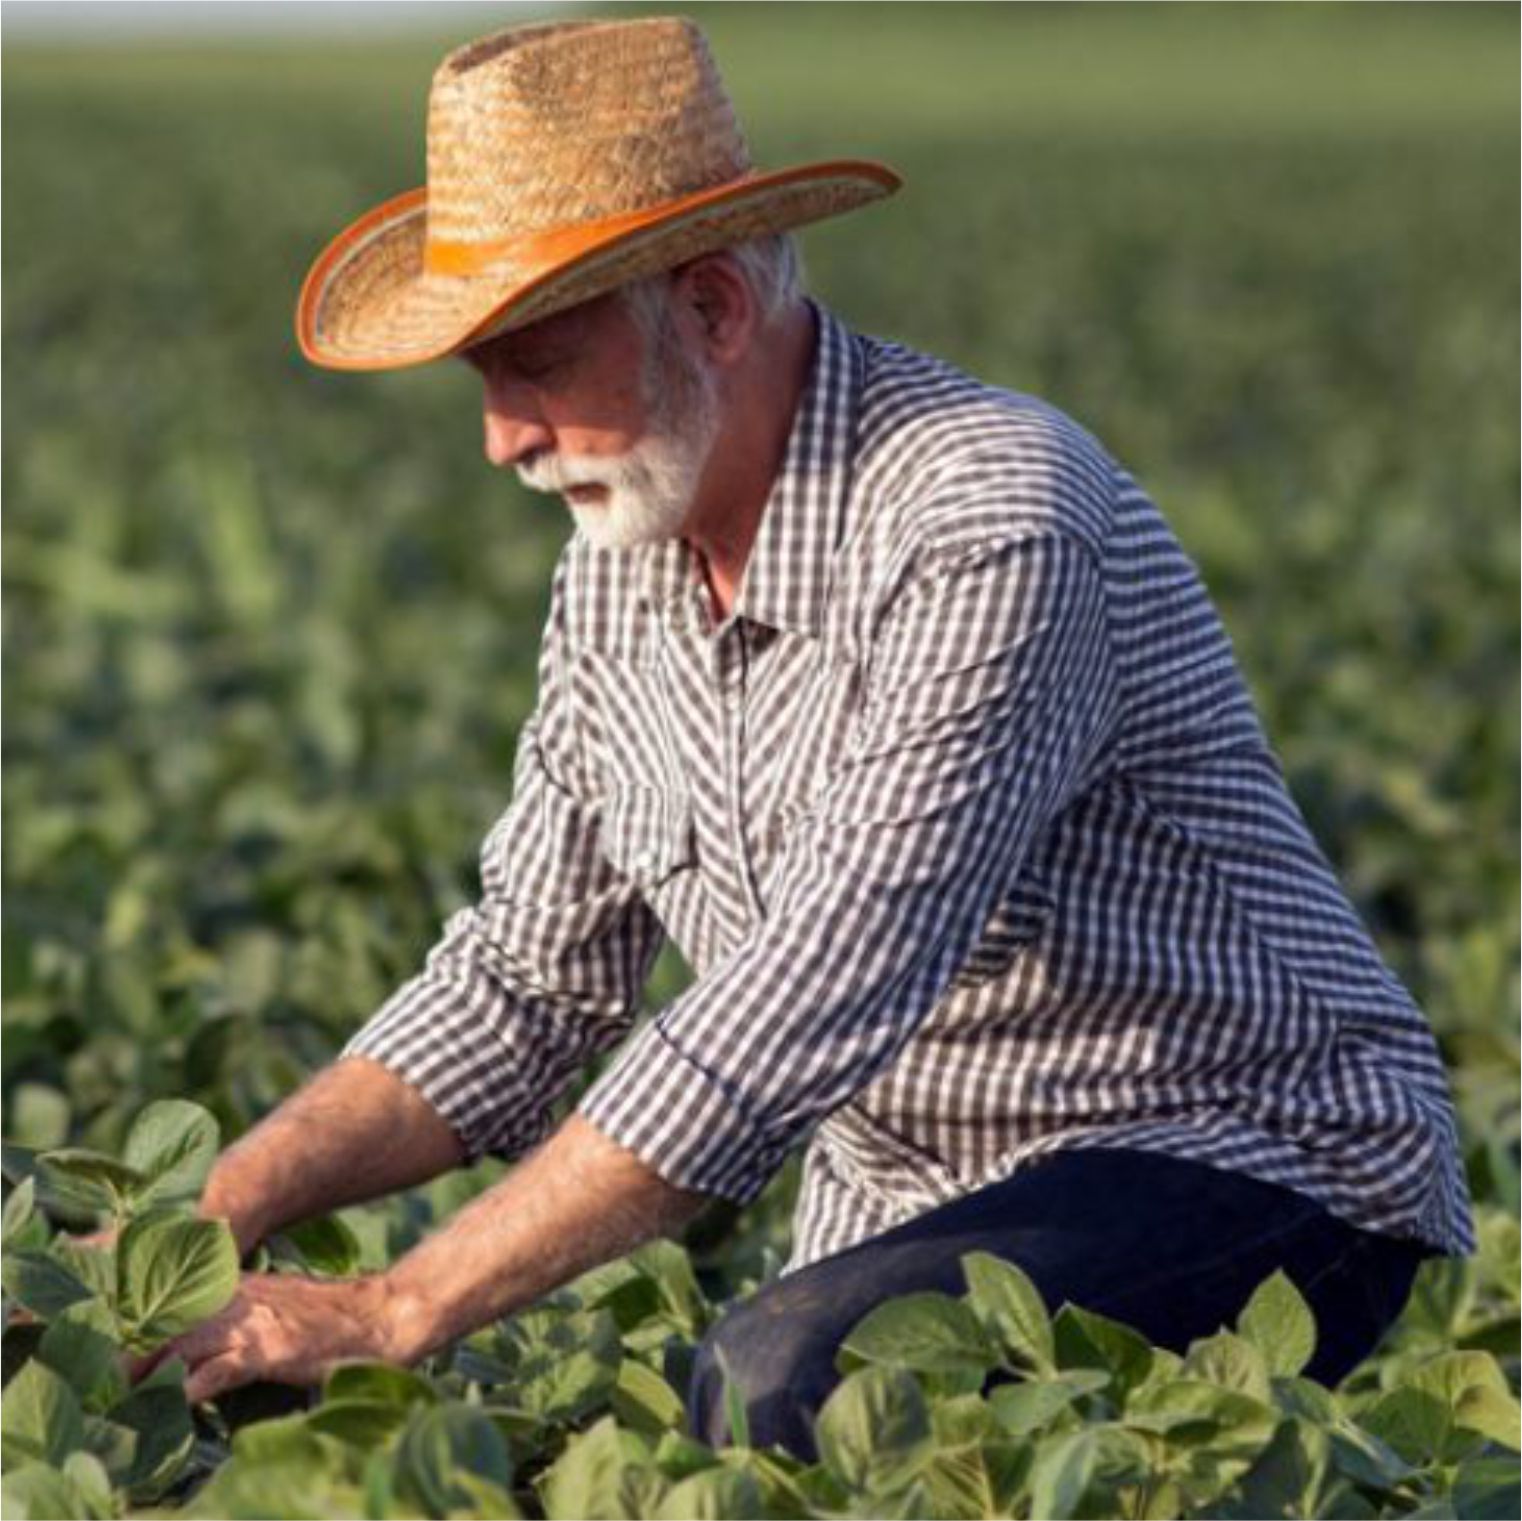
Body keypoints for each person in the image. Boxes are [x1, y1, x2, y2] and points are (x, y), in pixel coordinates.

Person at [161, 16, 1473, 1455]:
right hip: (921, 1200)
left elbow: (823, 980)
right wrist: (210, 1215)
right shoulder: (618, 570)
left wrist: (398, 1305)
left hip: (1247, 1151)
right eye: (482, 378)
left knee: (788, 1384)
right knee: (716, 1395)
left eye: (535, 362)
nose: (502, 437)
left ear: (714, 307)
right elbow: (525, 978)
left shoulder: (989, 520)